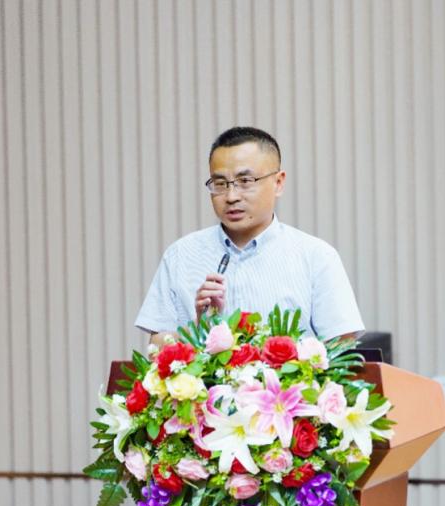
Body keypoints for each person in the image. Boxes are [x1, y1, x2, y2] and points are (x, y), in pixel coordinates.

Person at [135, 126, 364, 347]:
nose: (231, 196)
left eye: (245, 182)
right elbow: (156, 346)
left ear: (278, 183)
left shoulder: (316, 256)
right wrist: (197, 328)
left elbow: (341, 347)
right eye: (220, 184)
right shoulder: (181, 255)